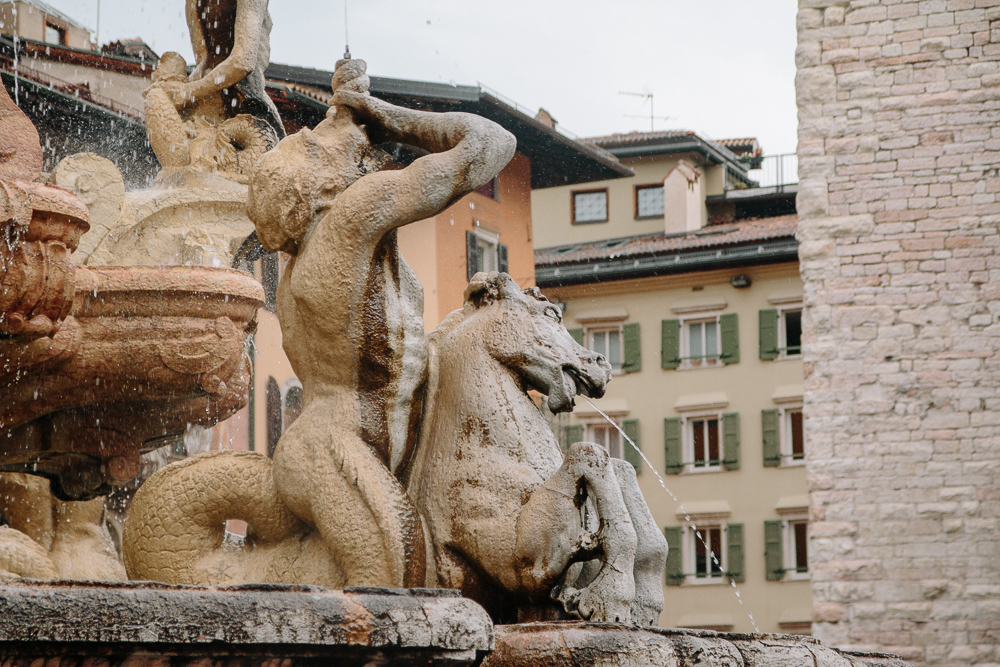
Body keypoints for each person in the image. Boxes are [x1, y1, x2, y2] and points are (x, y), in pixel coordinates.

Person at [247, 57, 515, 587]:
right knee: (395, 578)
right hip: (334, 446)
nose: (335, 121)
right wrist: (380, 111)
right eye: (321, 138)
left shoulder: (312, 254)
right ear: (322, 184)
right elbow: (491, 144)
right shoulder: (350, 215)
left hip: (354, 441)